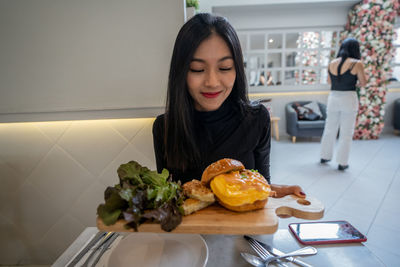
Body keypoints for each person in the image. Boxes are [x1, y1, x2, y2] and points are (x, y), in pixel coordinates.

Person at [153, 13, 305, 198]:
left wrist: (281, 190)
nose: (212, 82)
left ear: (237, 69)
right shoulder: (165, 128)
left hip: (243, 226)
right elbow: (168, 196)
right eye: (197, 69)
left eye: (224, 68)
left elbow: (260, 185)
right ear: (181, 73)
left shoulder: (256, 119)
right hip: (190, 227)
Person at [320, 38, 367, 171]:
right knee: (346, 132)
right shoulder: (357, 63)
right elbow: (363, 82)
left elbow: (329, 81)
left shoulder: (332, 63)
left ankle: (324, 156)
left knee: (329, 129)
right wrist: (354, 83)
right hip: (349, 98)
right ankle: (342, 162)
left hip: (333, 97)